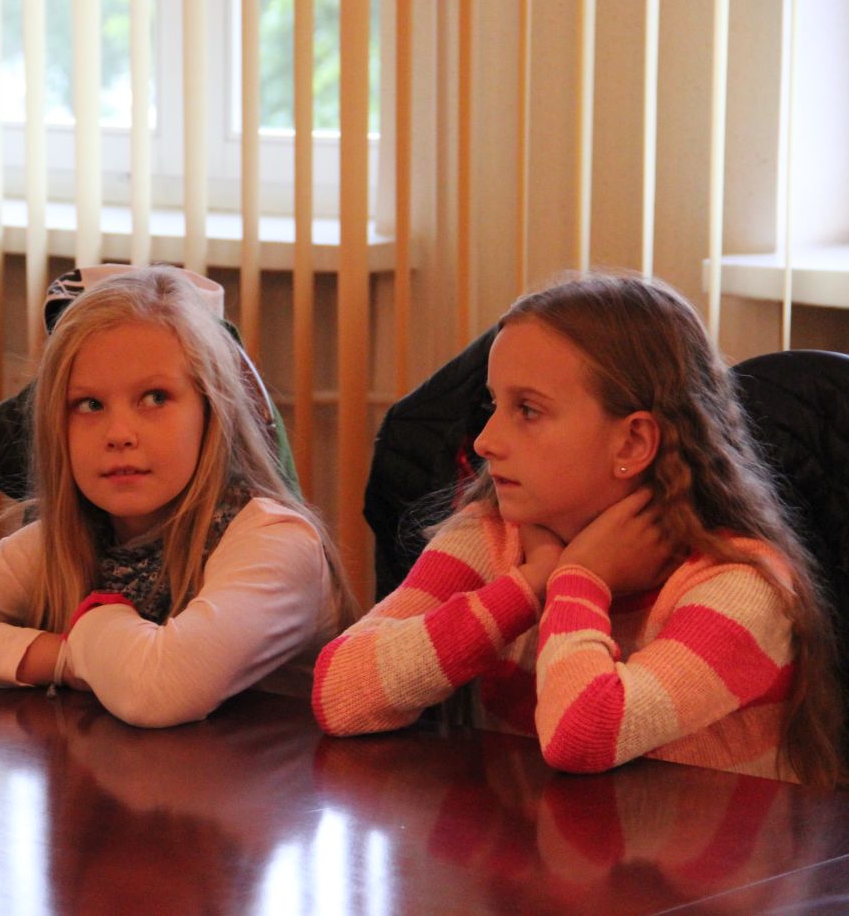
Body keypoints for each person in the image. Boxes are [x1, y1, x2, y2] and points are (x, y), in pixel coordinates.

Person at [313, 272, 843, 788]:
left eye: (528, 410)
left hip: (701, 852)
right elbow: (340, 694)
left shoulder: (742, 586)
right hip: (547, 841)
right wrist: (525, 587)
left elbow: (583, 734)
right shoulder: (496, 535)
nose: (484, 441)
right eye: (493, 404)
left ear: (632, 443)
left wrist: (579, 579)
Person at [0, 265, 354, 727]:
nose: (119, 434)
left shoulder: (276, 540)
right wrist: (61, 658)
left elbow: (159, 690)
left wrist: (93, 617)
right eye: (88, 405)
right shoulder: (67, 539)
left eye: (155, 398)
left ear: (212, 414)